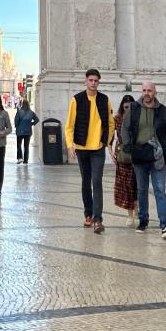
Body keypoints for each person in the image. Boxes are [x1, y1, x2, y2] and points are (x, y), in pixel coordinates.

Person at [120, 80, 166, 239]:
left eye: (149, 90)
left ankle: (165, 224)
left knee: (160, 190)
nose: (146, 93)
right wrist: (127, 146)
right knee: (142, 190)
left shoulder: (162, 111)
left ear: (155, 92)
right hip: (139, 154)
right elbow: (124, 127)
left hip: (157, 156)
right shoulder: (134, 108)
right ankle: (143, 220)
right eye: (144, 90)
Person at [65, 68, 111, 234]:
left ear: (99, 82)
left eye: (96, 81)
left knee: (97, 181)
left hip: (98, 148)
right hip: (82, 148)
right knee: (86, 181)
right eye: (90, 80)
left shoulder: (104, 100)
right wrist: (70, 146)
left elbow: (110, 123)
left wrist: (107, 142)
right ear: (85, 81)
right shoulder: (76, 100)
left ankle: (98, 220)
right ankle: (88, 214)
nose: (93, 83)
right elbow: (69, 125)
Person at [111, 93, 138, 227]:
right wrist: (112, 153)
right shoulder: (117, 119)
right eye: (125, 105)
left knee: (137, 185)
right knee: (126, 186)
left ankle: (138, 213)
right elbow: (110, 136)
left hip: (137, 154)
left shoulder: (138, 118)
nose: (127, 107)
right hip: (122, 155)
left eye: (130, 105)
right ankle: (130, 215)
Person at [13, 98, 38, 163]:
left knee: (19, 145)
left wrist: (17, 126)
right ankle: (26, 160)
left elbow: (16, 121)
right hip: (28, 132)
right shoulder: (31, 113)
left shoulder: (19, 112)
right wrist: (31, 124)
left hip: (20, 131)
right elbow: (37, 120)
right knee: (26, 147)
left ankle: (20, 158)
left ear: (22, 104)